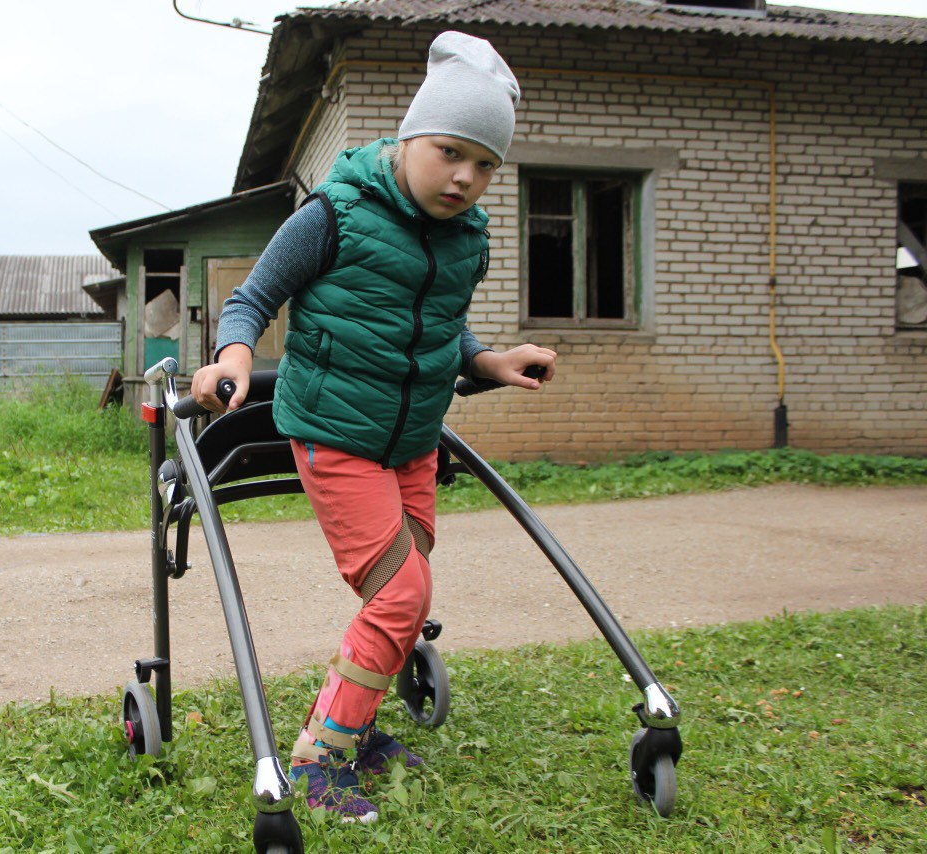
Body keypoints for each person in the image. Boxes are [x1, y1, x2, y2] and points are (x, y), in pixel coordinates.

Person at [191, 31, 557, 823]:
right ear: (410, 137)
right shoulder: (336, 214)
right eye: (450, 152)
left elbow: (443, 328)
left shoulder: (467, 238)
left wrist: (490, 361)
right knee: (400, 593)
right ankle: (318, 760)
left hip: (413, 444)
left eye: (485, 164)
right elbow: (253, 298)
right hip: (336, 435)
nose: (464, 177)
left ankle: (353, 730)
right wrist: (232, 355)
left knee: (405, 592)